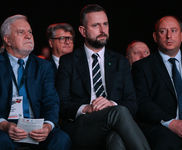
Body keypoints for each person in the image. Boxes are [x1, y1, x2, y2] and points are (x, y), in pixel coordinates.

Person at [55, 4, 150, 150]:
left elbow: (132, 103)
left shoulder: (120, 62)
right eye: (96, 25)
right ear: (83, 31)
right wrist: (86, 108)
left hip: (113, 123)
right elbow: (61, 104)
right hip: (81, 127)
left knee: (115, 138)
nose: (102, 30)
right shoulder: (68, 61)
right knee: (118, 113)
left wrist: (111, 104)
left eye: (105, 24)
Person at [0, 14, 71, 150]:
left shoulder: (43, 66)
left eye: (30, 32)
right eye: (21, 32)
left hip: (36, 128)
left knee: (61, 139)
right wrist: (4, 125)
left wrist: (48, 126)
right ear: (7, 40)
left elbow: (51, 101)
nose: (28, 36)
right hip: (6, 128)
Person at [132, 15, 182, 150]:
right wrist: (170, 123)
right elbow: (142, 102)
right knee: (167, 142)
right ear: (155, 37)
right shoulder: (142, 66)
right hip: (161, 125)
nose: (169, 36)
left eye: (174, 30)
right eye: (163, 31)